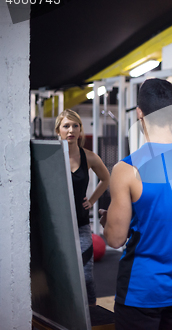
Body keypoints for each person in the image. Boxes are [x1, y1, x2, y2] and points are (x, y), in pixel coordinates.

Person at [99, 78, 172, 330]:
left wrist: (107, 221)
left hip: (141, 290)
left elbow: (115, 239)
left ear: (139, 112)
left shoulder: (126, 168)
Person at [54, 109, 110, 306]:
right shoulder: (52, 157)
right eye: (66, 126)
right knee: (60, 275)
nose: (71, 130)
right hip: (58, 226)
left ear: (80, 130)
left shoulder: (89, 157)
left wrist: (92, 201)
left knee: (86, 276)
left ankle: (91, 312)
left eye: (75, 126)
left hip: (81, 223)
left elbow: (106, 179)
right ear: (58, 130)